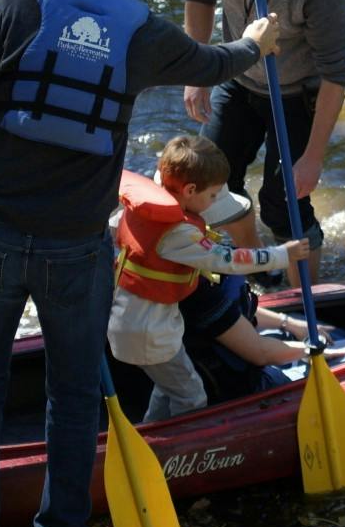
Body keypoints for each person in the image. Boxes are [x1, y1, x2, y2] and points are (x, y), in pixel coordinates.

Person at [0, 0, 281, 527]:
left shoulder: (19, 7)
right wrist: (259, 43)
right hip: (73, 248)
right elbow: (215, 64)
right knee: (71, 395)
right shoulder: (143, 31)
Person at [183, 0, 345, 268]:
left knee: (284, 204)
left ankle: (309, 298)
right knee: (211, 185)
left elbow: (335, 75)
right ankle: (248, 272)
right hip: (236, 78)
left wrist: (313, 158)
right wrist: (198, 71)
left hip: (296, 94)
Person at [107, 134, 308, 422]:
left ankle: (151, 434)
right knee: (191, 397)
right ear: (189, 190)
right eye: (213, 195)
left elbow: (112, 234)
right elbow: (228, 260)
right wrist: (281, 255)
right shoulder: (178, 233)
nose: (214, 201)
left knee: (169, 388)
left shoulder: (135, 212)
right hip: (150, 335)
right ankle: (176, 458)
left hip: (133, 325)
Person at [177, 272, 334, 405]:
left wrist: (290, 324)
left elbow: (233, 312)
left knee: (296, 320)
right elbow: (260, 353)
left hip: (235, 355)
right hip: (233, 386)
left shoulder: (202, 264)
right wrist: (312, 349)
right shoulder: (196, 292)